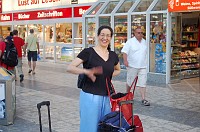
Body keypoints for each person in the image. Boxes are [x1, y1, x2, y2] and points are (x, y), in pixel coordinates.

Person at [67, 25, 121, 132]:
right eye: (102, 35)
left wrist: (107, 75)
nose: (105, 38)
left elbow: (118, 70)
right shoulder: (88, 52)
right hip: (90, 96)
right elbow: (70, 68)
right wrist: (86, 71)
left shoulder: (113, 55)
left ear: (111, 38)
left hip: (106, 97)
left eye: (108, 36)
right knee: (90, 127)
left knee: (105, 127)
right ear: (97, 36)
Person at [121, 27, 150, 106]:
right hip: (132, 65)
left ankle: (143, 99)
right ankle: (127, 94)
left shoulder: (144, 42)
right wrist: (125, 61)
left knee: (143, 83)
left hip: (142, 66)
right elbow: (124, 52)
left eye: (142, 33)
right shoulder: (130, 42)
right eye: (138, 33)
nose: (140, 34)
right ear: (134, 33)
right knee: (130, 81)